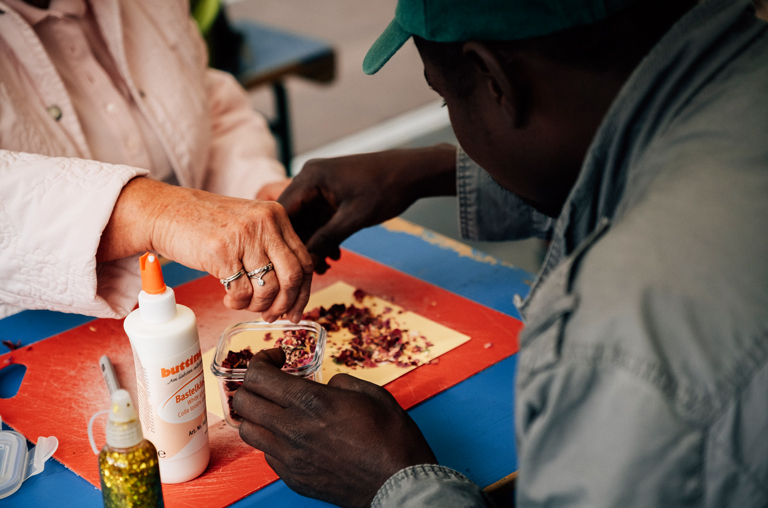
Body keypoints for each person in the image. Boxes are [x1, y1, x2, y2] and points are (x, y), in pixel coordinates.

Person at [232, 0, 768, 506]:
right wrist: (437, 170)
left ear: (493, 78)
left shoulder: (616, 342)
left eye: (447, 98)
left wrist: (391, 479)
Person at [0, 0, 310, 322]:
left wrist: (253, 186)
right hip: (32, 326)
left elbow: (205, 102)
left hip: (196, 292)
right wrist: (157, 213)